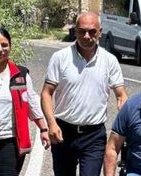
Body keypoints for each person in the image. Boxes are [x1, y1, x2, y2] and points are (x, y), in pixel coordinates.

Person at [42, 11, 128, 176]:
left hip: (94, 136)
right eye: (82, 31)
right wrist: (51, 123)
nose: (87, 36)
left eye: (92, 31)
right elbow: (46, 93)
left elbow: (121, 94)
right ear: (75, 31)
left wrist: (123, 108)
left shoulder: (109, 60)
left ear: (100, 32)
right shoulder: (60, 57)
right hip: (63, 132)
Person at [0, 27, 51, 176]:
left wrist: (43, 128)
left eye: (4, 45)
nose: (0, 49)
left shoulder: (20, 74)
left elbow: (32, 102)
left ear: (10, 47)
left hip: (11, 141)